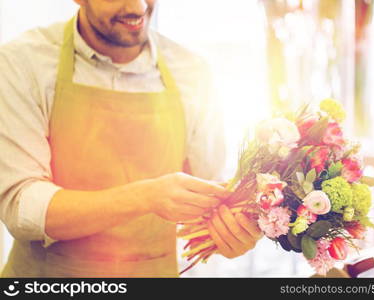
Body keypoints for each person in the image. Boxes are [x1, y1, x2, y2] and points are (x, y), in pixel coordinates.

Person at [0, 0, 261, 277]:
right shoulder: (23, 63)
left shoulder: (192, 71)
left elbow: (211, 194)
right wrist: (145, 197)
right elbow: (22, 207)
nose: (138, 7)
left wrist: (229, 234)